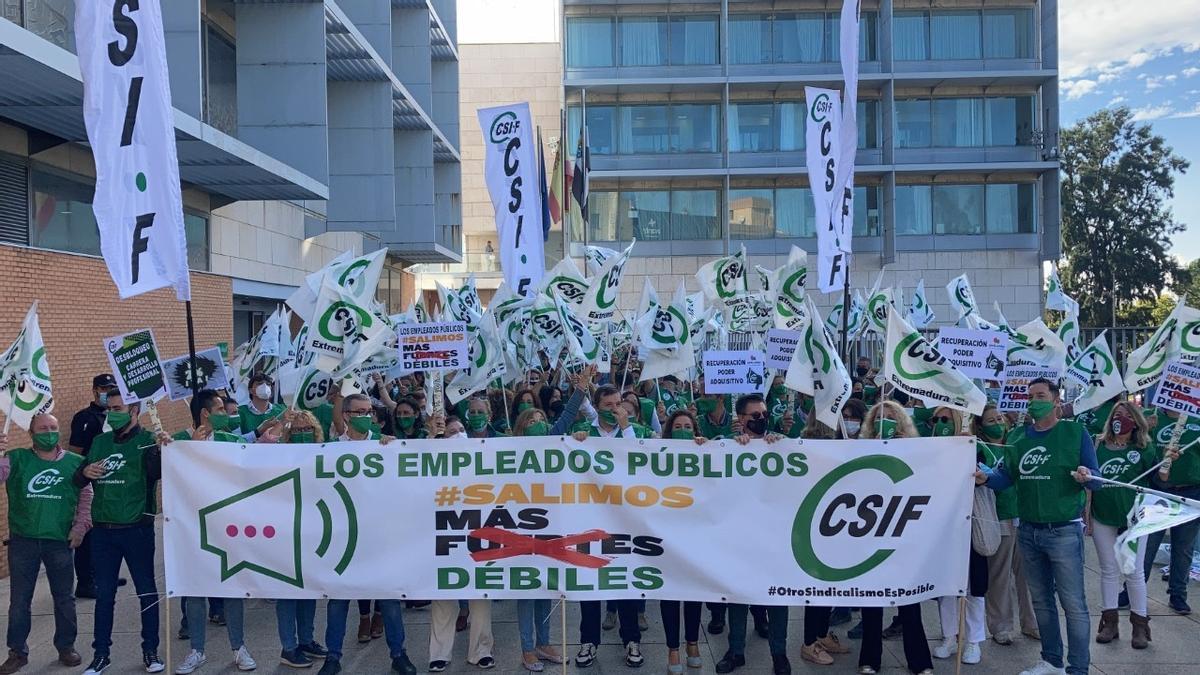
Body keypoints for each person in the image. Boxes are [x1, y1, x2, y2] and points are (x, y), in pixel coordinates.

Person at [976, 377, 1101, 675]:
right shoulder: (1018, 436)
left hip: (1064, 531)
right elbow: (1005, 476)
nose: (1033, 401)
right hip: (1029, 530)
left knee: (1073, 603)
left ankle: (1078, 668)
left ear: (1056, 400)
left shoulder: (1074, 432)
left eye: (1040, 395)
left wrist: (1087, 475)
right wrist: (986, 479)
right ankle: (1052, 661)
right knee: (1041, 602)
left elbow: (1096, 476)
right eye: (1030, 396)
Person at [76, 391, 170, 674]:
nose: (111, 413)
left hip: (137, 529)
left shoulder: (147, 441)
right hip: (103, 532)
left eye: (118, 408)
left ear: (134, 411)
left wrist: (163, 448)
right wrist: (85, 473)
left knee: (146, 592)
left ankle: (150, 651)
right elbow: (77, 477)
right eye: (109, 408)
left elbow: (158, 472)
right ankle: (101, 655)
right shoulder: (100, 441)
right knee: (104, 596)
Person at [170, 391, 257, 674]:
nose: (227, 413)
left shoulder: (231, 441)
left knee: (232, 588)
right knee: (196, 589)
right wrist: (189, 449)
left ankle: (239, 648)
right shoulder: (178, 443)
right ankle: (197, 650)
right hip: (192, 526)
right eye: (220, 408)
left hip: (228, 526)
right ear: (205, 413)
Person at [0, 415, 90, 673]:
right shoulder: (16, 458)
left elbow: (86, 495)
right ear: (31, 433)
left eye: (53, 428)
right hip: (23, 541)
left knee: (64, 598)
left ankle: (66, 647)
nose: (48, 432)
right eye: (42, 429)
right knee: (19, 601)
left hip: (59, 540)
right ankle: (17, 651)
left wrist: (80, 527)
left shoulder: (75, 463)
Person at [857, 402, 933, 675]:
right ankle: (869, 659)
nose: (884, 422)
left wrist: (908, 452)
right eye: (879, 418)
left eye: (890, 418)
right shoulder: (859, 449)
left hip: (903, 533)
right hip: (870, 533)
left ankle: (920, 662)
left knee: (909, 600)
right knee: (871, 600)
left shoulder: (916, 450)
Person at [717, 394, 790, 675]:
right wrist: (723, 446)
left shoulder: (780, 444)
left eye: (764, 414)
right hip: (739, 536)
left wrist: (777, 445)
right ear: (741, 419)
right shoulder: (728, 445)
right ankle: (736, 651)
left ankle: (779, 654)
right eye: (755, 416)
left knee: (777, 597)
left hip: (774, 537)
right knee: (737, 596)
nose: (762, 419)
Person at [571, 385, 644, 668]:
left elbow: (640, 459)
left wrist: (627, 428)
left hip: (624, 520)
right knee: (589, 582)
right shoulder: (582, 430)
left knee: (624, 580)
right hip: (588, 520)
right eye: (609, 404)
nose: (615, 409)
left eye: (619, 404)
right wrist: (576, 441)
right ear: (597, 406)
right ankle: (589, 641)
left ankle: (631, 639)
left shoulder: (633, 431)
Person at [1089, 401, 1157, 649]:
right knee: (1108, 569)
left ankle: (1140, 626)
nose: (1121, 419)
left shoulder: (1145, 448)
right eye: (1117, 414)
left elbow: (1159, 479)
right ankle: (1109, 622)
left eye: (1127, 415)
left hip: (1134, 518)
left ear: (1136, 420)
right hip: (1101, 515)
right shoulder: (1097, 445)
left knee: (1133, 571)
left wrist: (1168, 464)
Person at [973, 405, 1038, 646]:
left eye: (999, 417)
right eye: (991, 419)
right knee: (1000, 576)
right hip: (997, 516)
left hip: (1025, 514)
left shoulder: (1017, 443)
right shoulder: (979, 448)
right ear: (981, 425)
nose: (997, 422)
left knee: (1028, 575)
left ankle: (1031, 623)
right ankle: (1001, 626)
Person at [930, 407, 987, 666]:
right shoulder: (927, 451)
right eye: (937, 419)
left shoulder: (974, 448)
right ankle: (949, 636)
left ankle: (973, 639)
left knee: (974, 586)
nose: (941, 423)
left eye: (946, 419)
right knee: (945, 584)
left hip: (969, 522)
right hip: (941, 527)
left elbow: (986, 476)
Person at [511, 409, 566, 672]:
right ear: (521, 428)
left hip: (549, 526)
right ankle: (527, 649)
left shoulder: (554, 443)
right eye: (531, 422)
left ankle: (544, 643)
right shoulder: (507, 450)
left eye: (541, 420)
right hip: (521, 528)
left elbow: (565, 418)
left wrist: (580, 389)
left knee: (545, 586)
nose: (537, 425)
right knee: (526, 590)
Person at [659, 411, 708, 674]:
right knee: (670, 593)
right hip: (666, 534)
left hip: (695, 535)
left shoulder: (706, 453)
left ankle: (692, 642)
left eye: (687, 427)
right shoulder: (657, 455)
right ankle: (672, 649)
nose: (682, 430)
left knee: (693, 592)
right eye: (677, 426)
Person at [1141, 408, 1200, 615]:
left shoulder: (1196, 421)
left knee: (1183, 549)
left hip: (1190, 492)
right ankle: (1133, 591)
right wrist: (1143, 428)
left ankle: (1178, 594)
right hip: (1158, 491)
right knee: (1147, 546)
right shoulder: (1149, 416)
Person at [68, 374, 117, 599]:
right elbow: (75, 454)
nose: (108, 391)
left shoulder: (116, 415)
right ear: (96, 390)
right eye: (105, 388)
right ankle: (85, 582)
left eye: (112, 387)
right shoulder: (85, 418)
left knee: (103, 535)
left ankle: (102, 575)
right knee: (87, 535)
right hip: (89, 483)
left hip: (110, 484)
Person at [238, 374, 285, 441]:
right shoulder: (239, 412)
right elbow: (236, 440)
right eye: (259, 384)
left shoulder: (281, 410)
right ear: (251, 391)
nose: (265, 386)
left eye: (268, 384)